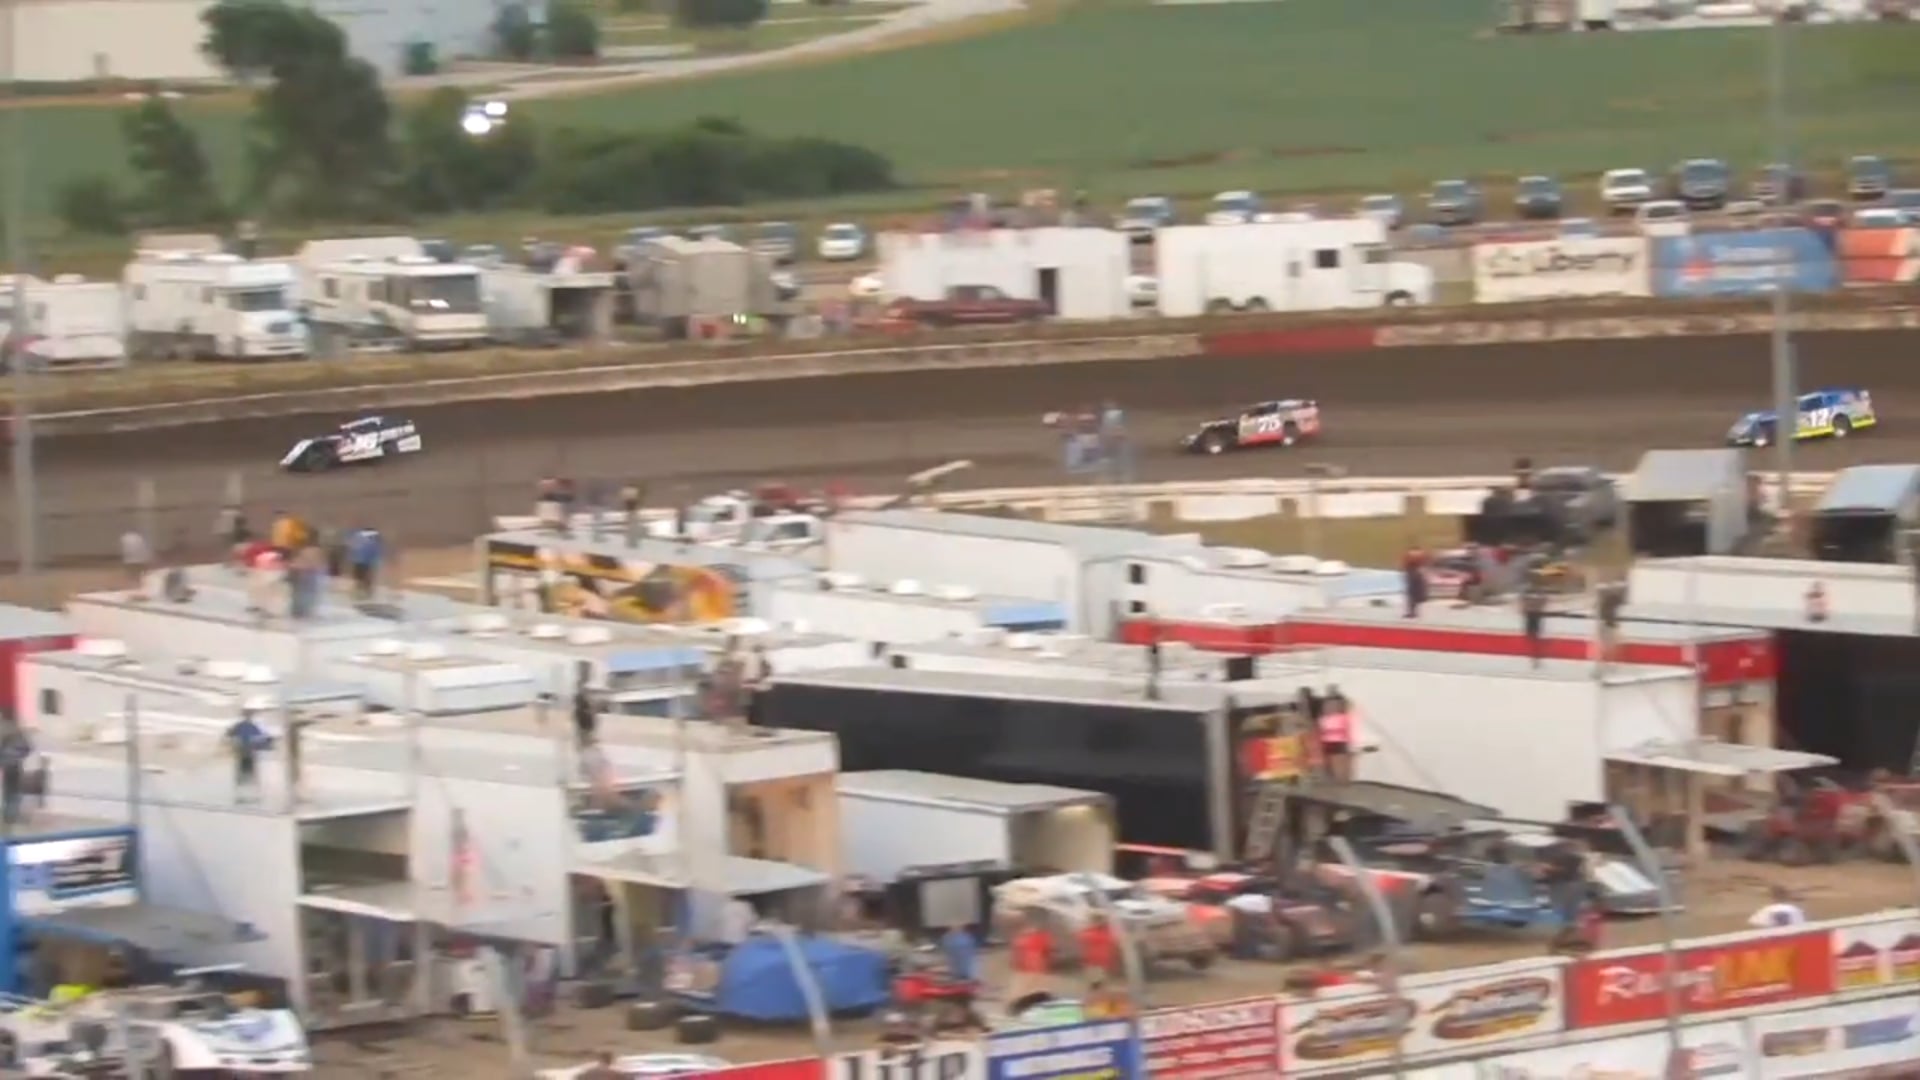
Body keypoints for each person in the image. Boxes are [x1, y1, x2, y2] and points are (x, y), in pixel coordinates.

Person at [1007, 914, 1053, 1014]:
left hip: (1031, 967)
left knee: (1029, 988)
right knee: (1031, 988)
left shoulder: (1023, 938)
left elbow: (1046, 952)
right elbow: (1047, 952)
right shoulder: (1035, 936)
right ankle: (1023, 1007)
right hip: (1032, 967)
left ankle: (1021, 1007)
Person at [226, 710, 268, 804]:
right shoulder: (250, 726)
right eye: (248, 716)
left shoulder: (241, 726)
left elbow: (229, 734)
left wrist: (234, 741)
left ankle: (243, 795)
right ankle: (249, 794)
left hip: (244, 752)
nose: (248, 717)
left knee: (244, 774)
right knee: (249, 774)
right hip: (247, 752)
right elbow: (262, 738)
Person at [0, 719, 34, 829]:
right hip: (15, 765)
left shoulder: (4, 730)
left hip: (7, 765)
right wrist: (19, 756)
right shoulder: (18, 731)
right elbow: (29, 748)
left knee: (9, 791)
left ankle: (8, 816)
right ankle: (11, 816)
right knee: (14, 790)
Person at [1076, 912, 1119, 983]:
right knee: (1098, 976)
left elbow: (1081, 937)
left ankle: (1097, 984)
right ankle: (1098, 983)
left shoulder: (1092, 932)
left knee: (1096, 976)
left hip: (1095, 958)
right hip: (1100, 958)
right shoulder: (1107, 932)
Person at [1521, 587, 1548, 668]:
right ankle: (1535, 659)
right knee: (1534, 639)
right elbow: (1544, 600)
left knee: (1532, 639)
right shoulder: (1536, 602)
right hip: (1535, 618)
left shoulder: (1528, 601)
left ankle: (1534, 659)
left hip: (1531, 618)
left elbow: (1523, 599)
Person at [120, 529, 152, 596]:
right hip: (139, 559)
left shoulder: (125, 538)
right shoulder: (139, 538)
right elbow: (143, 549)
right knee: (139, 575)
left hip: (131, 560)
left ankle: (135, 590)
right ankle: (139, 590)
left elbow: (125, 550)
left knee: (133, 575)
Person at [1402, 547, 1428, 618]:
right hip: (1415, 574)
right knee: (1413, 595)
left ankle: (1412, 612)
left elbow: (1407, 564)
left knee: (1412, 595)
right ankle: (1413, 611)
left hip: (1413, 575)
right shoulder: (1418, 555)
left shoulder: (1412, 556)